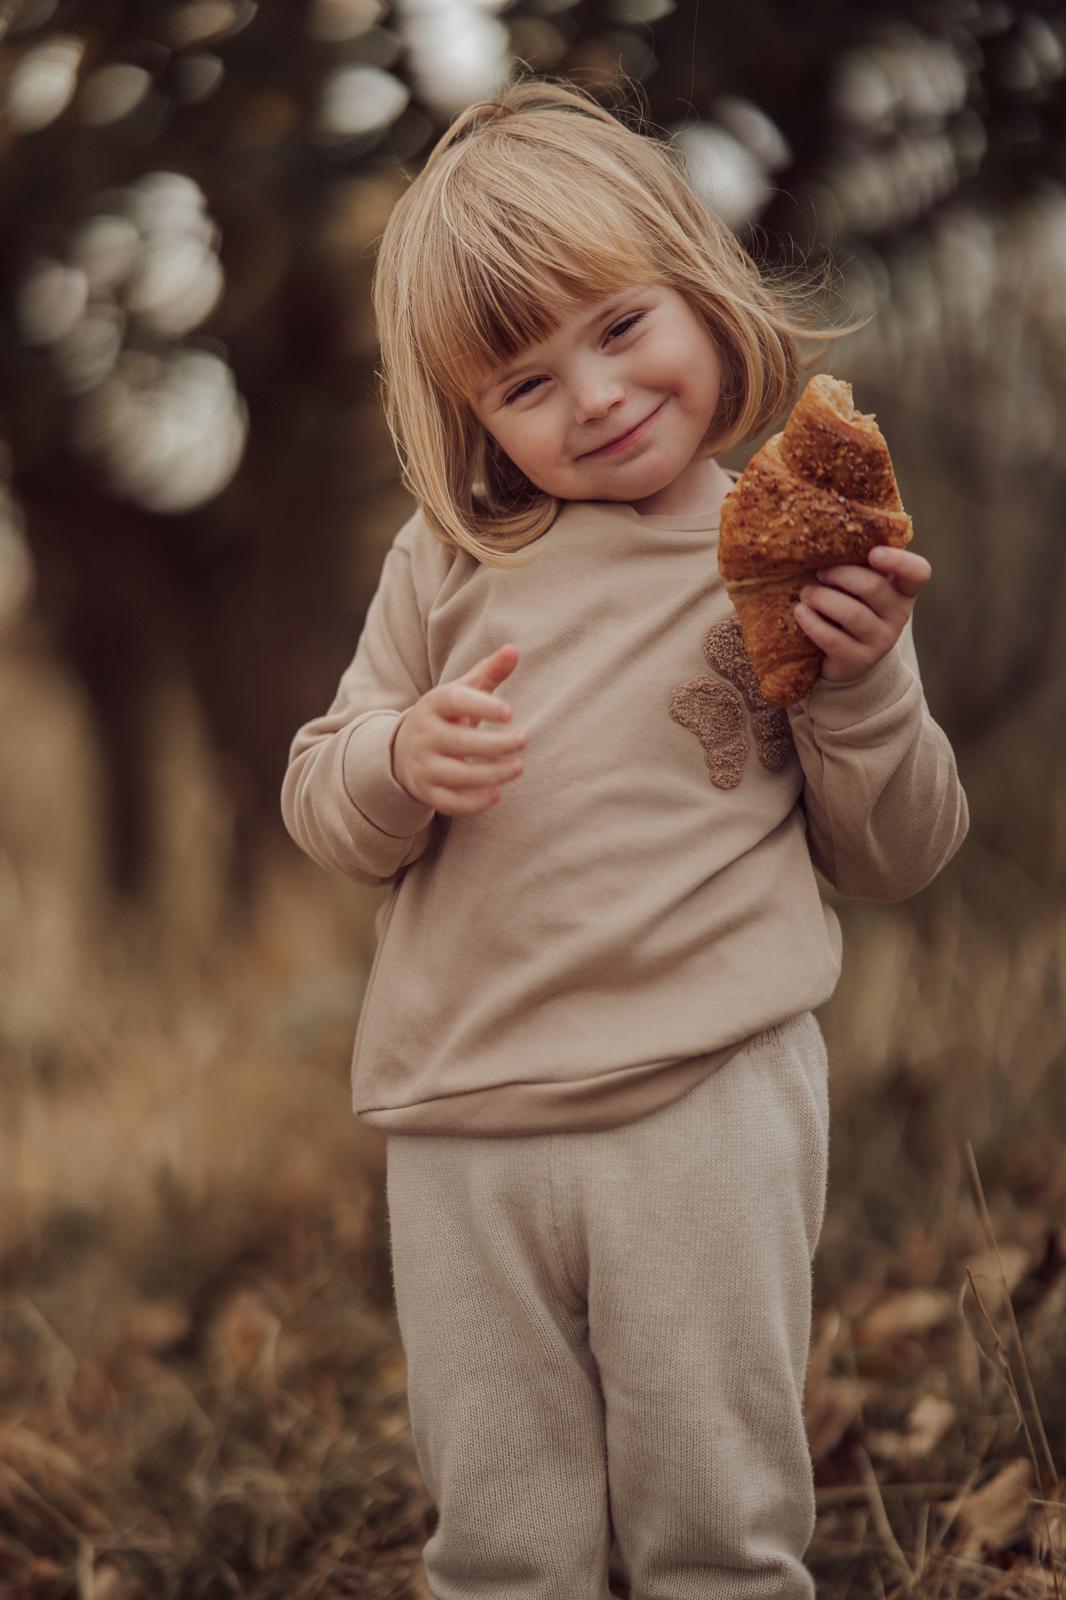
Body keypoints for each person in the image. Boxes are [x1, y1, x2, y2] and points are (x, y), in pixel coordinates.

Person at [280, 75, 969, 1600]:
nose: (591, 397)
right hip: (463, 1126)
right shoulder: (454, 561)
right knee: (504, 1536)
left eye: (616, 328)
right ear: (468, 424)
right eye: (521, 387)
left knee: (710, 1521)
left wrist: (861, 686)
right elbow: (323, 794)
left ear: (699, 290)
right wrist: (402, 754)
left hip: (704, 1106)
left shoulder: (789, 554)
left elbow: (899, 850)